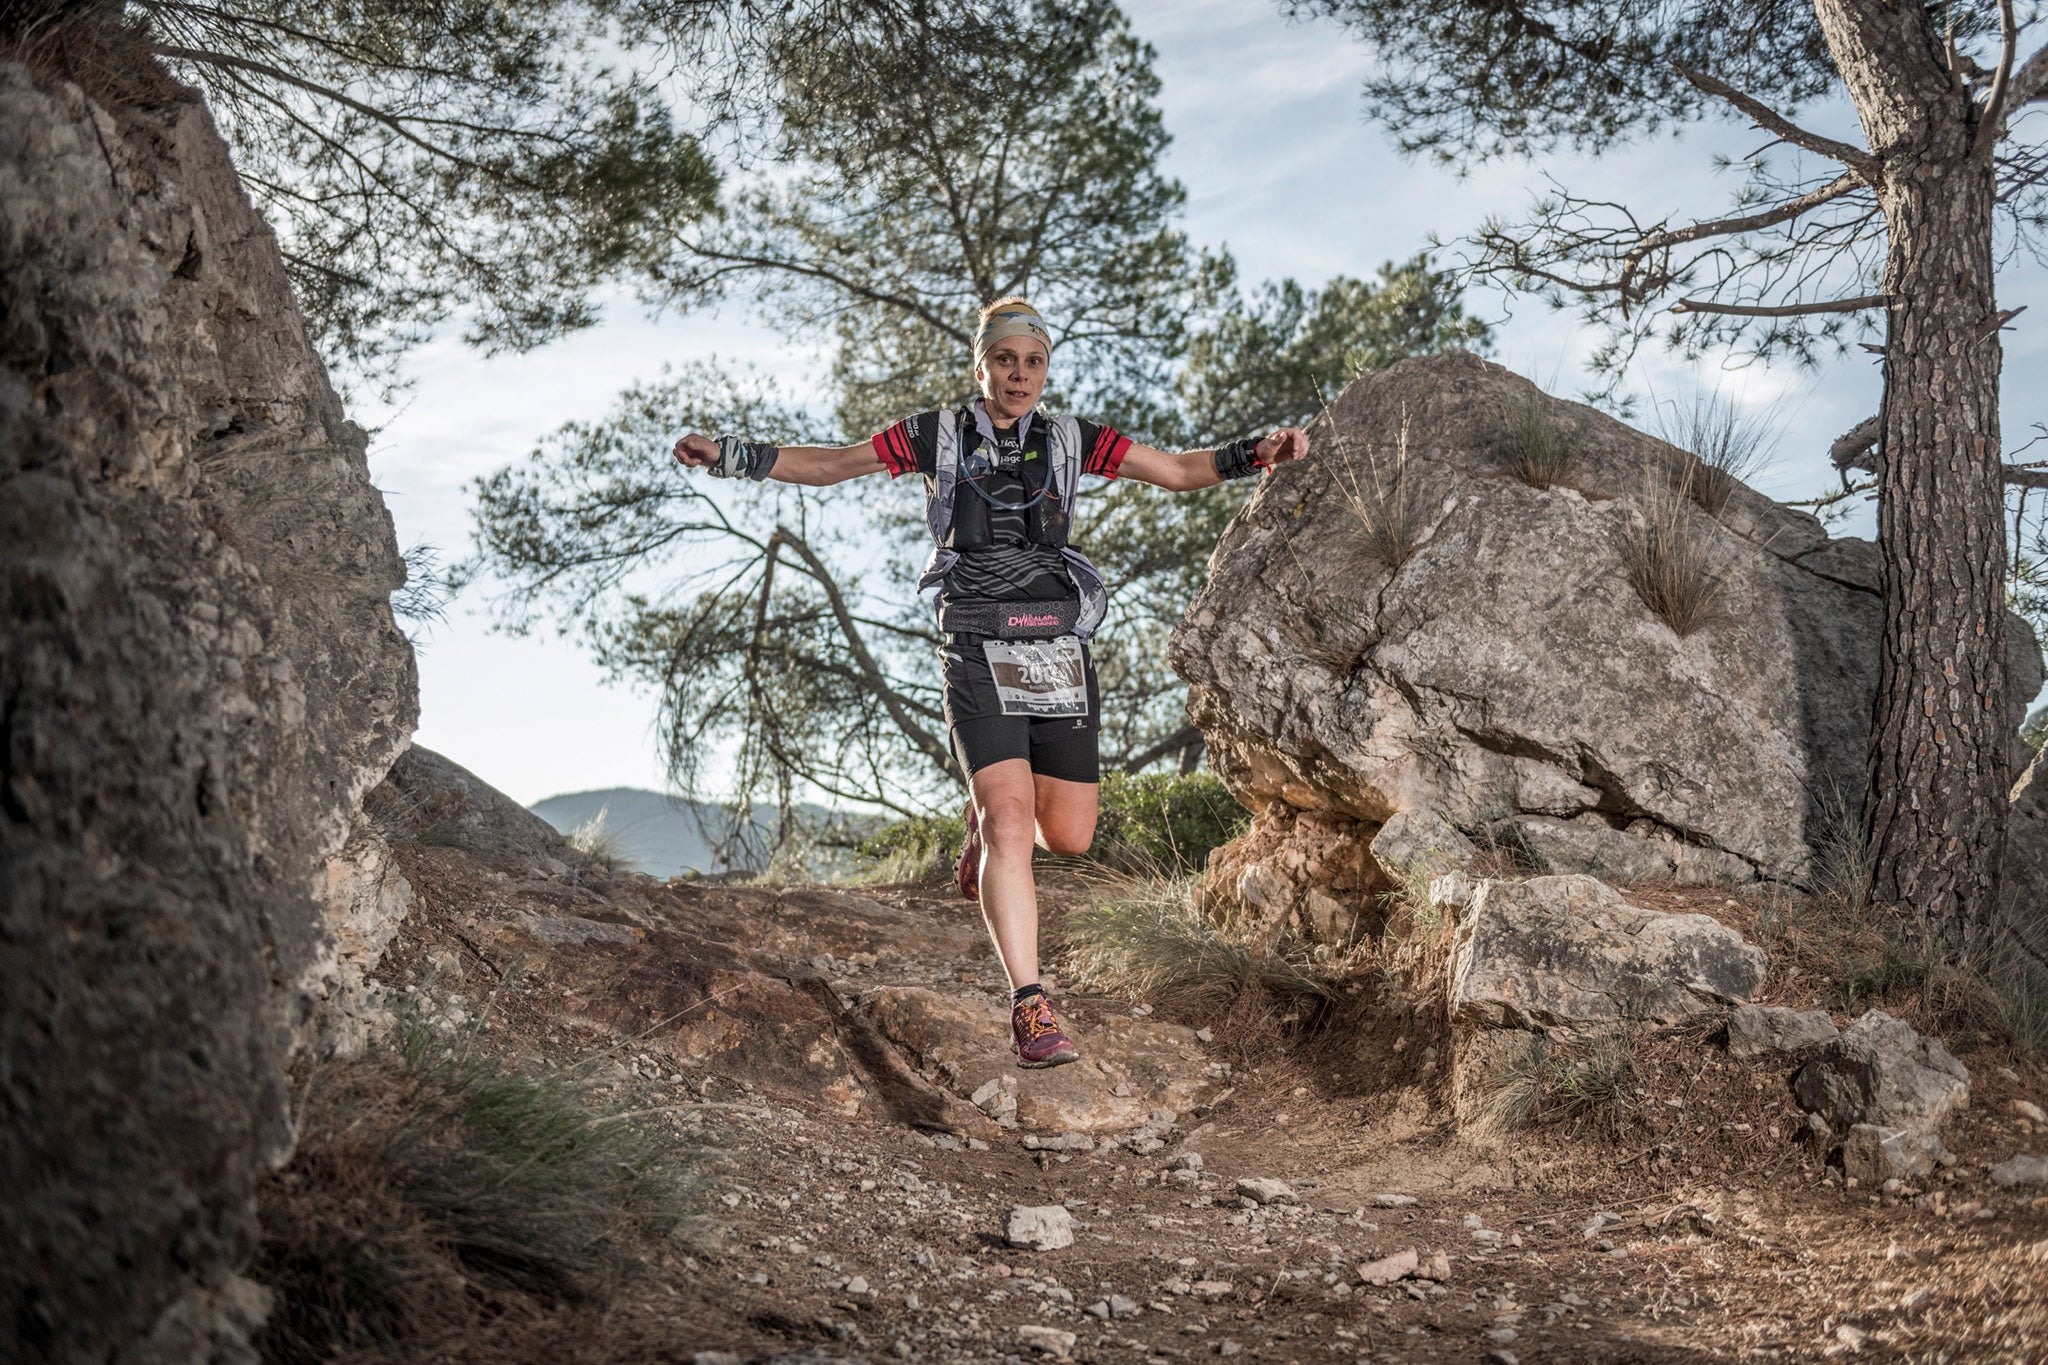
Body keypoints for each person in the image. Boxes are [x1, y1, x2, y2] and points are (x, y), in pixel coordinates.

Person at [671, 298, 1307, 1068]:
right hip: (974, 640)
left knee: (1067, 834)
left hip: (1054, 646)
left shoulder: (1072, 439)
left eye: (1033, 362)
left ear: (1045, 370)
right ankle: (1031, 1005)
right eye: (1006, 360)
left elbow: (1175, 471)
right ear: (983, 366)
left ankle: (984, 821)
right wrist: (734, 456)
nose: (1019, 374)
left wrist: (1255, 453)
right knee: (1015, 825)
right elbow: (835, 465)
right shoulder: (935, 434)